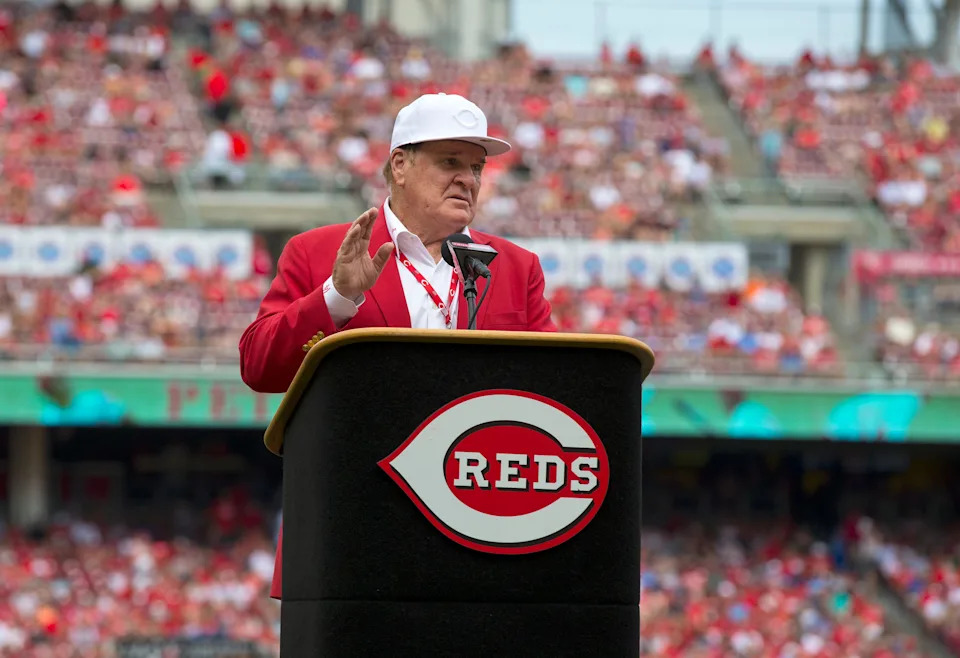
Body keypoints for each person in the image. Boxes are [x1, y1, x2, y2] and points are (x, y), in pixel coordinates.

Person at [238, 93, 557, 599]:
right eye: (450, 162)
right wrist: (338, 296)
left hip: (484, 533)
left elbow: (557, 392)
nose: (468, 180)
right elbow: (259, 368)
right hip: (354, 530)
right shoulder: (319, 252)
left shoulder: (516, 268)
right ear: (400, 165)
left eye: (475, 167)